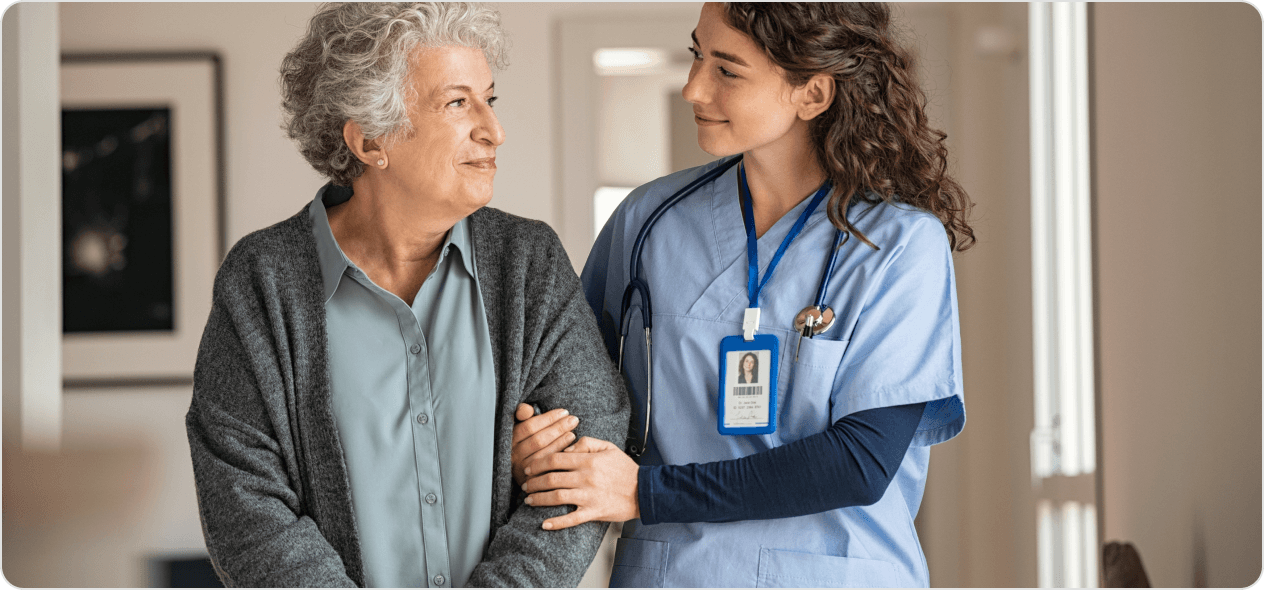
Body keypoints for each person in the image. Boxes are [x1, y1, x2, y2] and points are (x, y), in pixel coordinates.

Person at [511, 2, 972, 587]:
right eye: (696, 56)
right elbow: (576, 394)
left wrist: (645, 491)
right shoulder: (648, 223)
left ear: (813, 94)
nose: (693, 88)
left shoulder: (898, 246)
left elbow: (860, 461)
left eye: (727, 70)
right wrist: (539, 445)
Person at [184, 3, 629, 587]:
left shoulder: (528, 263)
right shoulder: (262, 282)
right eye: (456, 102)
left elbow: (586, 461)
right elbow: (246, 506)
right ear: (370, 141)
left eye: (488, 100)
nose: (493, 130)